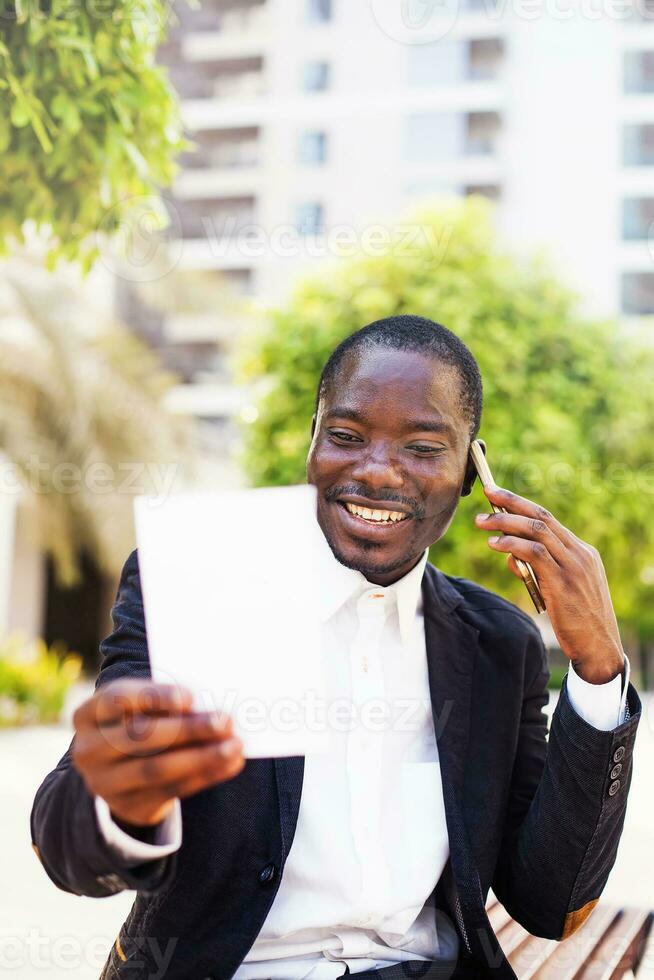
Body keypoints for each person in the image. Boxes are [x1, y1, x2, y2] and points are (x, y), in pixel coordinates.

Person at [31, 315, 640, 980]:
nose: (377, 472)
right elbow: (70, 852)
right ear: (313, 446)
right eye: (346, 437)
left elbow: (550, 902)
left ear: (471, 470)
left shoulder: (498, 644)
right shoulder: (201, 586)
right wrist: (119, 799)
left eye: (424, 447)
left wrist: (600, 672)